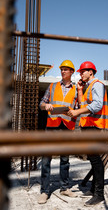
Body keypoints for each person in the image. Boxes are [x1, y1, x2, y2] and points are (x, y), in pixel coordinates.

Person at [67, 61, 108, 207]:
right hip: (88, 126)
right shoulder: (88, 87)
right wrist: (79, 90)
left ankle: (99, 194)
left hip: (95, 127)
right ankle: (93, 189)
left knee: (96, 160)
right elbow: (83, 104)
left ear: (90, 71)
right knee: (92, 159)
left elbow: (97, 105)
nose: (80, 74)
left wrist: (77, 112)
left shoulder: (97, 84)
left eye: (82, 72)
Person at [38, 60, 78, 204]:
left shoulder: (76, 89)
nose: (63, 71)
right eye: (62, 69)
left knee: (65, 159)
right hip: (52, 125)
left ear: (72, 72)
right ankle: (44, 191)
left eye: (66, 69)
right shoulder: (53, 86)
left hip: (67, 126)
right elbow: (41, 104)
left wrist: (74, 113)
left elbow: (79, 108)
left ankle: (64, 188)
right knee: (46, 159)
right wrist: (46, 105)